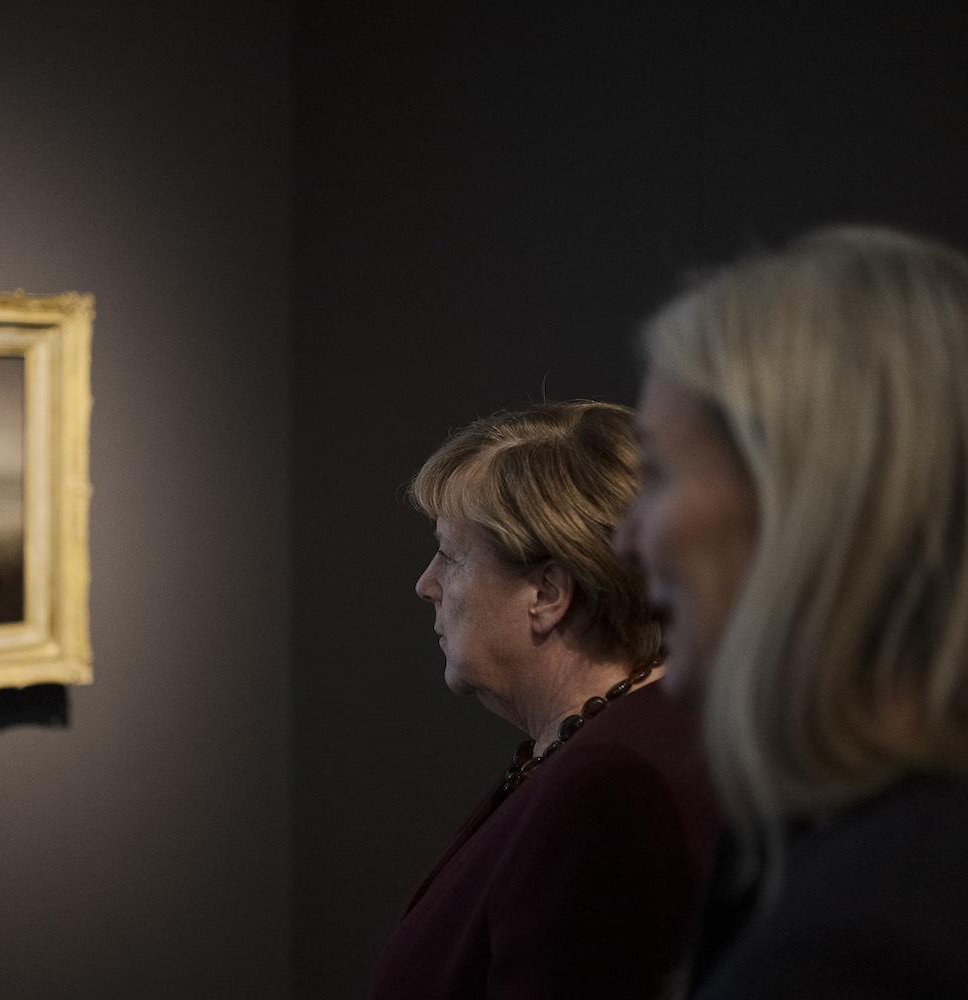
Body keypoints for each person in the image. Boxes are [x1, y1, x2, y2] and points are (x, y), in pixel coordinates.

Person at [616, 226, 968, 997]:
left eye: (660, 474)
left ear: (812, 507)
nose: (625, 536)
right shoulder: (827, 852)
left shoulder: (869, 943)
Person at [369, 401, 721, 1000]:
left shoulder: (611, 789)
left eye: (451, 556)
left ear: (548, 592)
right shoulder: (604, 749)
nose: (425, 584)